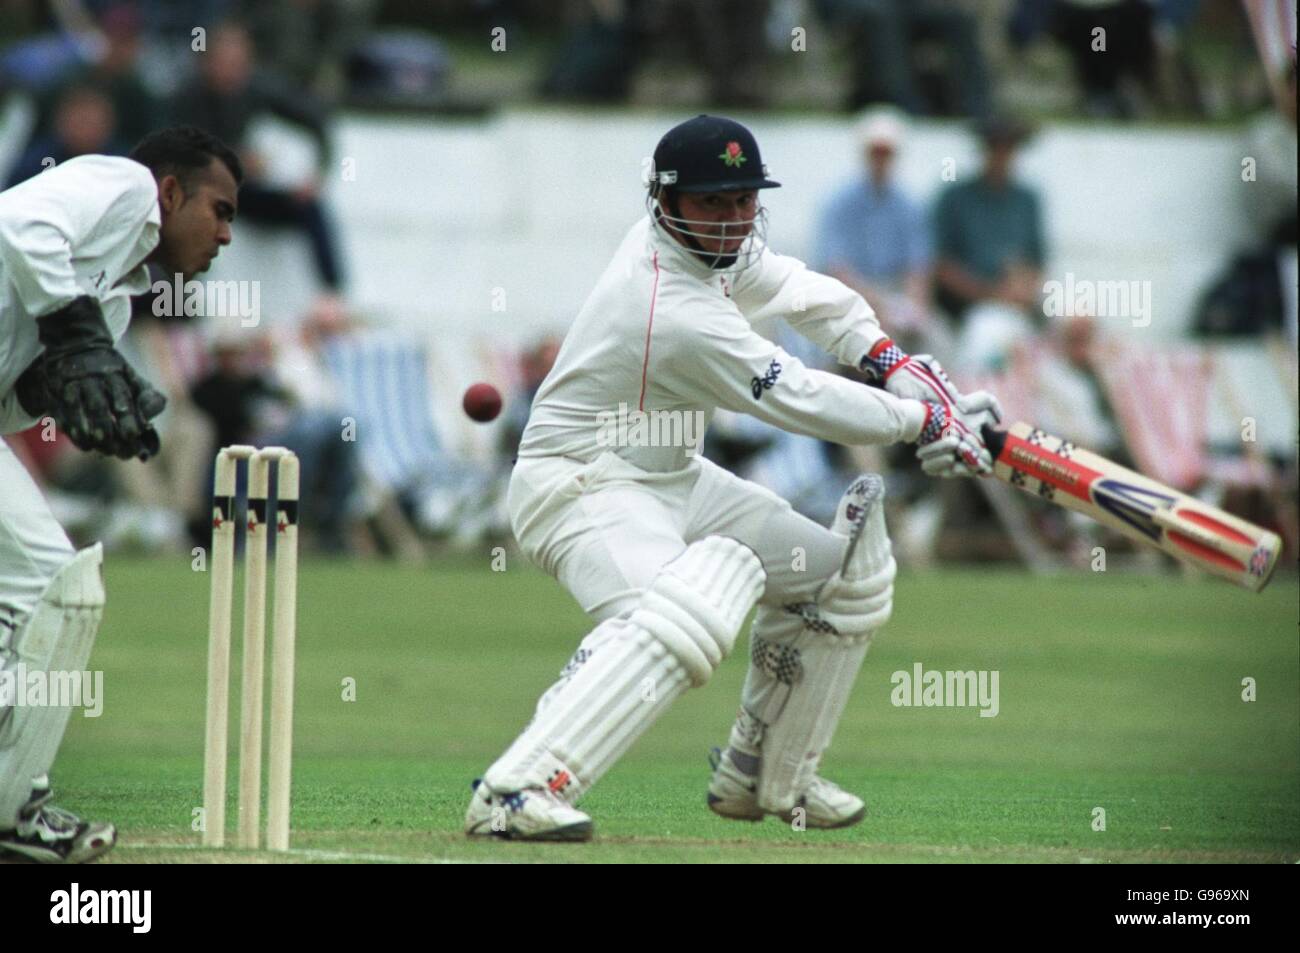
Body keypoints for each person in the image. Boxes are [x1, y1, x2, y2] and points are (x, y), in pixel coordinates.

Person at [464, 115, 1003, 841]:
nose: (733, 220)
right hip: (582, 487)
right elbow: (795, 395)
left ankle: (766, 773)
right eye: (714, 202)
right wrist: (921, 422)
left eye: (744, 198)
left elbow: (806, 293)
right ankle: (514, 790)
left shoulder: (716, 253)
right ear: (666, 202)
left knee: (840, 575)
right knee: (691, 605)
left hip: (671, 476)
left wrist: (892, 360)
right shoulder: (668, 307)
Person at [0, 125, 241, 862]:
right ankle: (11, 809)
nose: (226, 235)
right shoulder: (120, 185)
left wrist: (53, 387)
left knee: (45, 591)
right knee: (53, 584)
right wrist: (73, 337)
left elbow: (10, 406)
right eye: (220, 210)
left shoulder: (119, 300)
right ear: (170, 192)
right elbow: (16, 222)